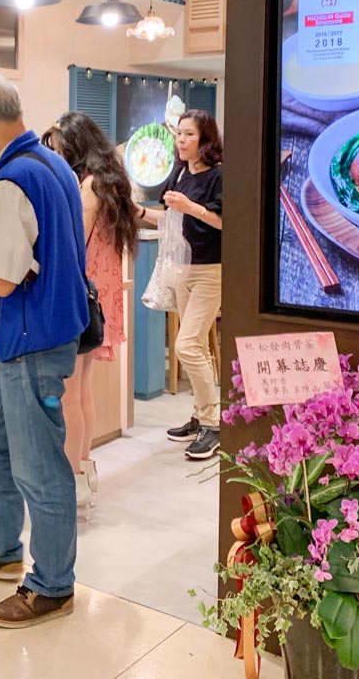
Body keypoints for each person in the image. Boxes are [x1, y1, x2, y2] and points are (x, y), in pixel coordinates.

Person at [0, 73, 88, 629]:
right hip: (44, 333)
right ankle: (0, 545)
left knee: (39, 467)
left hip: (31, 340)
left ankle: (51, 584)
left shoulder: (10, 180)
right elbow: (42, 253)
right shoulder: (54, 166)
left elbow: (2, 280)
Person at [41, 111, 137, 513]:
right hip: (100, 297)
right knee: (81, 391)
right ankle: (83, 468)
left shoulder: (88, 186)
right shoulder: (111, 182)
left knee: (68, 395)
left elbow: (74, 243)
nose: (55, 157)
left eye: (59, 149)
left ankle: (72, 481)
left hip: (81, 297)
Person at [138, 109, 223, 461]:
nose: (182, 141)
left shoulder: (220, 176)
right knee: (197, 346)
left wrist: (192, 207)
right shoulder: (180, 172)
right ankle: (203, 416)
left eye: (189, 135)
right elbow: (169, 217)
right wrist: (139, 212)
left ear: (206, 140)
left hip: (212, 270)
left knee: (186, 346)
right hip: (184, 269)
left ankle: (214, 425)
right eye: (179, 135)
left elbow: (223, 222)